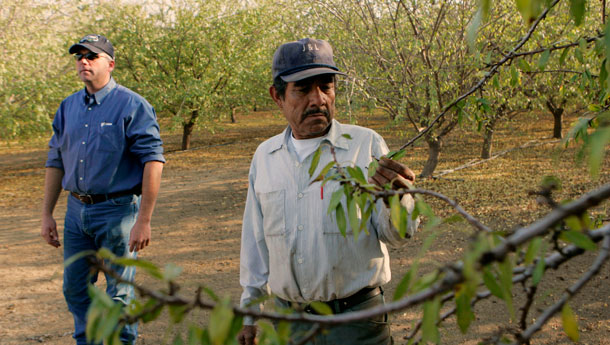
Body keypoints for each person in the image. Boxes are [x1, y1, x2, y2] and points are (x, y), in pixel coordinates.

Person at [237, 38, 419, 345]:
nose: (318, 99)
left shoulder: (365, 145)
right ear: (277, 96)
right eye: (303, 89)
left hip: (358, 322)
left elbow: (398, 235)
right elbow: (256, 244)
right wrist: (250, 314)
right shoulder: (265, 157)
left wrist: (399, 200)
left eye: (326, 86)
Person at [40, 34, 165, 345]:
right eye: (79, 56)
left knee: (120, 291)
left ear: (110, 63)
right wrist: (46, 214)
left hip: (118, 212)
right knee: (74, 287)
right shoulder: (68, 107)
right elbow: (55, 160)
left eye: (91, 56)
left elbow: (153, 160)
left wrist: (144, 219)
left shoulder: (132, 105)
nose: (83, 61)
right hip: (76, 212)